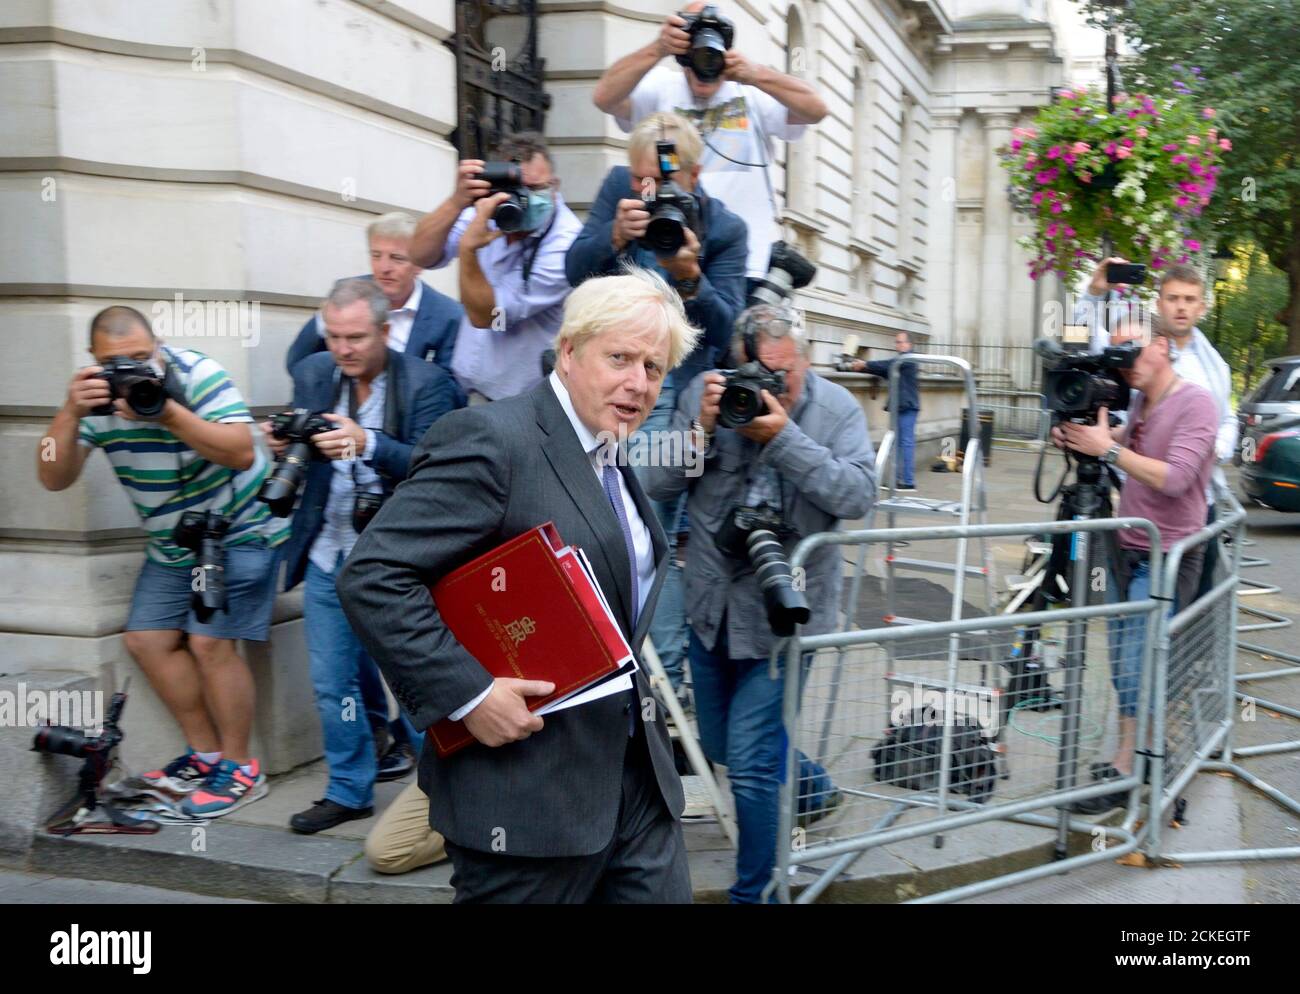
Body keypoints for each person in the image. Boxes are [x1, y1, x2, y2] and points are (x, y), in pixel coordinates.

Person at [337, 267, 700, 903]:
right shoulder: (493, 439)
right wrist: (469, 694)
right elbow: (374, 576)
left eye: (653, 368)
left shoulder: (609, 449)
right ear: (569, 352)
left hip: (635, 787)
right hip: (526, 802)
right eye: (619, 358)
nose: (638, 383)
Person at [644, 301, 876, 902]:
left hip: (783, 616)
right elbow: (655, 482)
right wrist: (698, 430)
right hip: (712, 609)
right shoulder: (707, 393)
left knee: (748, 762)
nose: (774, 387)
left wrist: (784, 439)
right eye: (762, 372)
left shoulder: (836, 409)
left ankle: (759, 894)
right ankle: (813, 788)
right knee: (722, 747)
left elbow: (857, 496)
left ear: (805, 360)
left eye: (786, 373)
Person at [36, 305, 289, 818]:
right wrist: (69, 412)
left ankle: (242, 770)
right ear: (93, 359)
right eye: (115, 362)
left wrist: (168, 412)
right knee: (146, 640)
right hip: (173, 543)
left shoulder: (197, 374)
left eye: (140, 356)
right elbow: (51, 475)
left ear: (158, 345)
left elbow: (242, 452)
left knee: (209, 642)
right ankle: (204, 756)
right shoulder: (95, 397)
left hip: (242, 528)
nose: (131, 371)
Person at [566, 111, 748, 695]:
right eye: (641, 178)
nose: (650, 191)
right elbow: (573, 272)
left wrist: (689, 276)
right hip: (606, 380)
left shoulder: (724, 228)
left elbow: (728, 333)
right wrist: (612, 237)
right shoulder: (617, 193)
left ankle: (661, 682)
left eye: (664, 180)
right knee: (597, 523)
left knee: (647, 523)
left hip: (674, 387)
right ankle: (615, 665)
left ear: (694, 175)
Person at [267, 279, 457, 833]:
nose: (343, 349)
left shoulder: (427, 382)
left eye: (355, 337)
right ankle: (349, 790)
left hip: (398, 563)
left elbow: (439, 467)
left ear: (385, 330)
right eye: (333, 337)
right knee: (333, 685)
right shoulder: (312, 373)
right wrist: (284, 441)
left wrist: (367, 443)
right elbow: (302, 446)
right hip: (329, 552)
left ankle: (448, 794)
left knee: (415, 683)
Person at [1053, 316, 1218, 812]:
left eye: (1132, 349)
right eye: (1116, 352)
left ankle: (1130, 768)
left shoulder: (1197, 402)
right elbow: (1126, 442)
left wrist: (1107, 449)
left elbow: (1176, 478)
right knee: (1124, 668)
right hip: (1126, 550)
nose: (1123, 363)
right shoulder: (1143, 401)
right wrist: (1083, 438)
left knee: (1137, 665)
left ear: (1162, 346)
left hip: (1167, 555)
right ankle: (1148, 760)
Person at [592, 1, 828, 284]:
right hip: (666, 250)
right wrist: (658, 48)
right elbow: (603, 97)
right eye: (693, 47)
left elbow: (816, 110)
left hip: (741, 261)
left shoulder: (751, 92)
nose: (704, 64)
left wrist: (757, 74)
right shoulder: (661, 85)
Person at [1078, 260, 1235, 598]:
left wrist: (1212, 448)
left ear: (1202, 306)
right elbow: (1078, 340)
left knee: (1185, 614)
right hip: (1135, 514)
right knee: (1135, 620)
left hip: (1188, 514)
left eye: (1189, 299)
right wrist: (1093, 292)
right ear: (1159, 302)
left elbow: (1224, 421)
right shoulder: (1135, 343)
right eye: (1173, 298)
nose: (1181, 307)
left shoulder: (1213, 368)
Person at [410, 132, 582, 403]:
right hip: (464, 387)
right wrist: (456, 201)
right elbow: (419, 254)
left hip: (524, 402)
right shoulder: (489, 211)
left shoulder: (566, 243)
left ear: (555, 185)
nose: (524, 199)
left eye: (535, 188)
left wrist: (468, 250)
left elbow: (489, 316)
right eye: (516, 189)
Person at [286, 212, 466, 408]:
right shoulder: (345, 294)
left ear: (419, 265)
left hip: (409, 421)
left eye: (397, 258)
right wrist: (328, 317)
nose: (384, 267)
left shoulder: (447, 316)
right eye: (376, 255)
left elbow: (453, 394)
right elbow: (297, 364)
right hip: (337, 416)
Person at [848, 331, 919, 491]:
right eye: (896, 342)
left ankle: (908, 481)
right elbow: (882, 370)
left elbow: (887, 365)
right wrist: (862, 367)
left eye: (900, 342)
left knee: (905, 443)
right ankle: (898, 479)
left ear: (909, 344)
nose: (897, 345)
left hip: (907, 407)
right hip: (900, 406)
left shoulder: (908, 359)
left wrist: (865, 364)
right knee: (897, 444)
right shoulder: (900, 362)